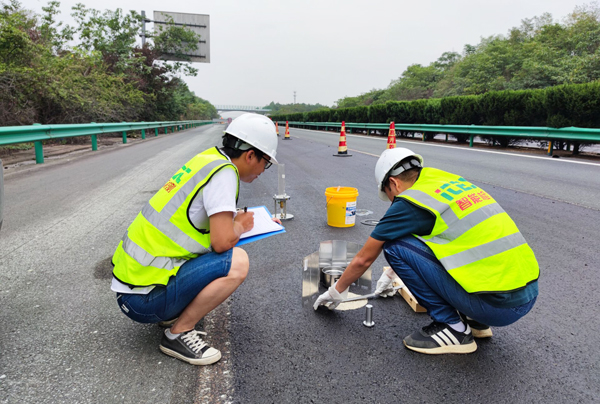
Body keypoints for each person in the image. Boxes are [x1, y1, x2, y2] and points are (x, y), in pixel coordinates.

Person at [314, 148, 539, 355]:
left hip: (496, 306)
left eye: (389, 195)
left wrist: (337, 291)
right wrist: (393, 274)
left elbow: (364, 259)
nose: (392, 201)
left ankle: (454, 329)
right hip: (526, 296)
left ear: (393, 183)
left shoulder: (409, 202)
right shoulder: (445, 181)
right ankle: (475, 321)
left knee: (393, 246)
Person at [111, 113, 279, 365]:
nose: (262, 171)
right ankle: (177, 334)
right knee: (238, 262)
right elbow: (222, 243)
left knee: (228, 254)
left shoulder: (209, 159)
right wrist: (240, 227)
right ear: (250, 155)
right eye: (265, 163)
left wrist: (243, 222)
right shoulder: (224, 174)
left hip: (133, 286)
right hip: (142, 301)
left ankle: (172, 313)